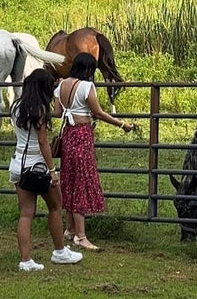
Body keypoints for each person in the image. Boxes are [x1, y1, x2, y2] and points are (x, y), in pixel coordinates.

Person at [53, 52, 133, 250]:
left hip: (67, 135)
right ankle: (81, 235)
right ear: (88, 69)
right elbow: (98, 112)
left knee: (69, 179)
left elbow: (56, 112)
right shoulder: (86, 86)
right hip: (82, 135)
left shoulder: (61, 85)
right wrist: (121, 124)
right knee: (80, 181)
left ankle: (70, 228)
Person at [9, 68, 83, 270]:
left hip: (18, 164)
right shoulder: (40, 110)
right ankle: (59, 251)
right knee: (55, 207)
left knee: (26, 213)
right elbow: (42, 143)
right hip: (37, 165)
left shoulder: (16, 107)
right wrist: (52, 170)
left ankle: (25, 260)